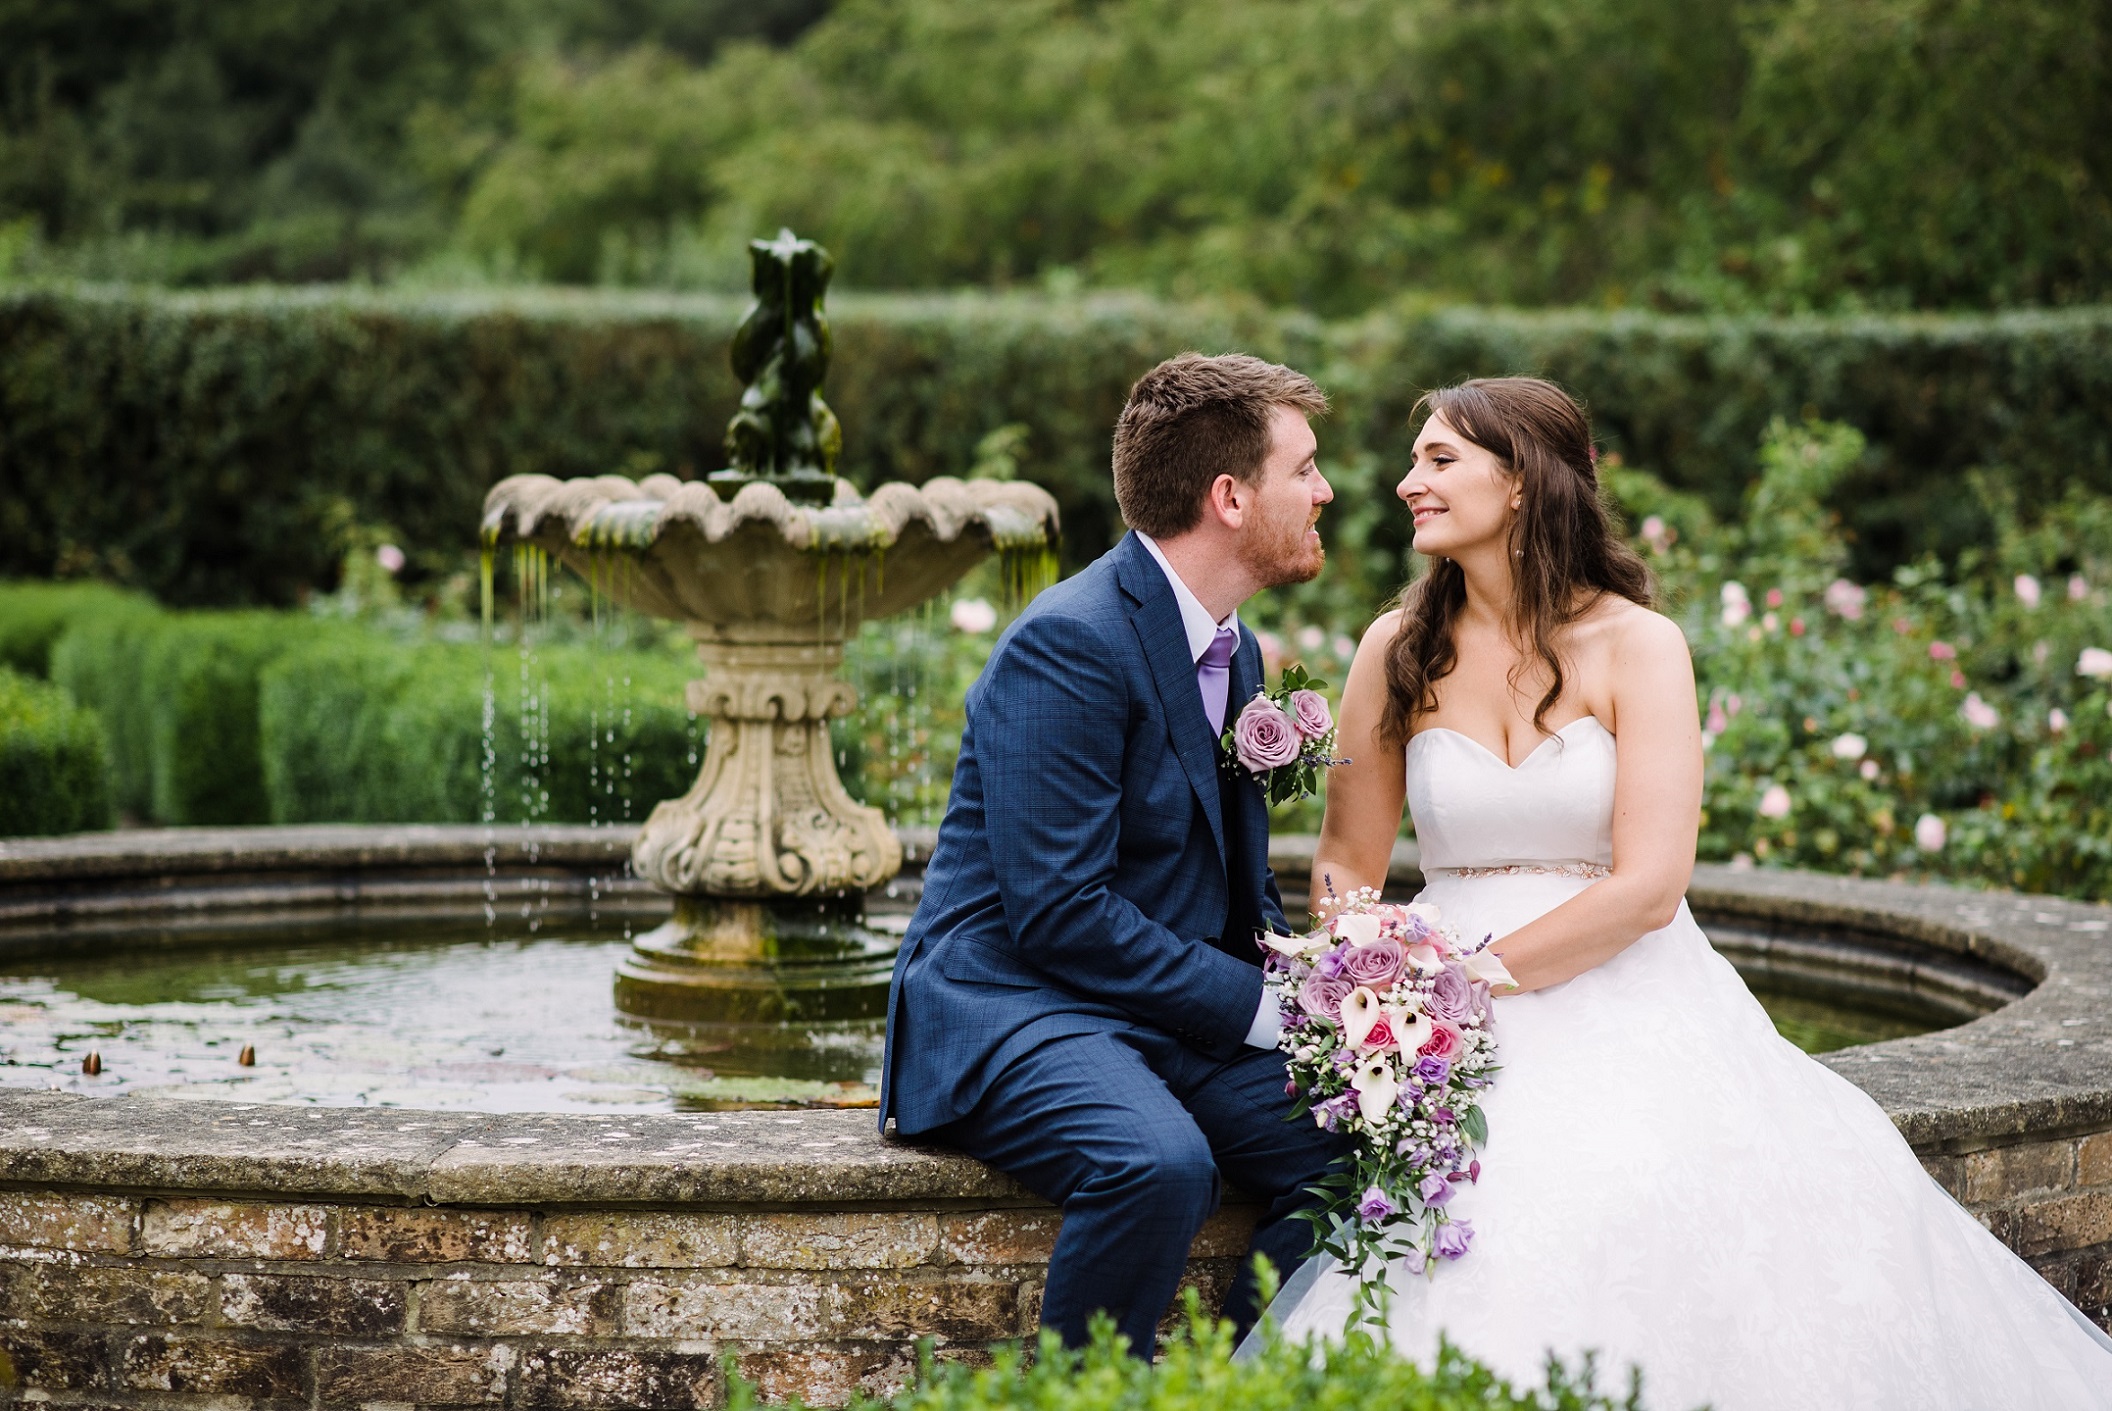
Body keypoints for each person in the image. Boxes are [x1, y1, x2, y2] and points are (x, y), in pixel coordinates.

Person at [1273, 376, 2112, 1407]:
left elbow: (1650, 887)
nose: (1409, 482)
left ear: (1524, 480)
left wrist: (1462, 983)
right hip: (1428, 1019)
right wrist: (1365, 983)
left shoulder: (1639, 644)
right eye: (1416, 461)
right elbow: (1344, 860)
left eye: (1440, 459)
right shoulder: (1394, 648)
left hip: (1614, 984)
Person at [880, 352, 1350, 1354]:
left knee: (1355, 1147)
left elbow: (1230, 880)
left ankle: (1233, 1381)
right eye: (1305, 468)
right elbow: (1058, 912)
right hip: (1015, 998)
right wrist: (1258, 1009)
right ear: (1230, 497)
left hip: (1149, 1005)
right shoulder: (1070, 642)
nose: (1326, 491)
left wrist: (1315, 989)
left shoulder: (1235, 647)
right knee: (1156, 1164)